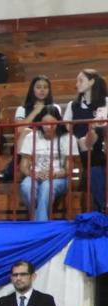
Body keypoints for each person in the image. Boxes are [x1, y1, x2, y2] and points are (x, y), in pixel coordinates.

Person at [17, 107, 75, 221]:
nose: (48, 126)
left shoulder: (67, 138)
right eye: (45, 123)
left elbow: (69, 168)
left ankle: (39, 223)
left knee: (47, 186)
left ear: (58, 122)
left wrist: (55, 174)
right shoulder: (31, 137)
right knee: (26, 186)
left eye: (52, 123)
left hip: (59, 177)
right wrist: (33, 174)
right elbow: (23, 166)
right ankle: (39, 218)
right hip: (35, 175)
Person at [69, 68, 107, 209]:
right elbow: (66, 127)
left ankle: (101, 207)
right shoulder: (73, 105)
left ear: (91, 82)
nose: (77, 84)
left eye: (81, 80)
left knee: (96, 132)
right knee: (84, 143)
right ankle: (103, 206)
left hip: (102, 143)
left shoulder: (106, 102)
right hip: (83, 147)